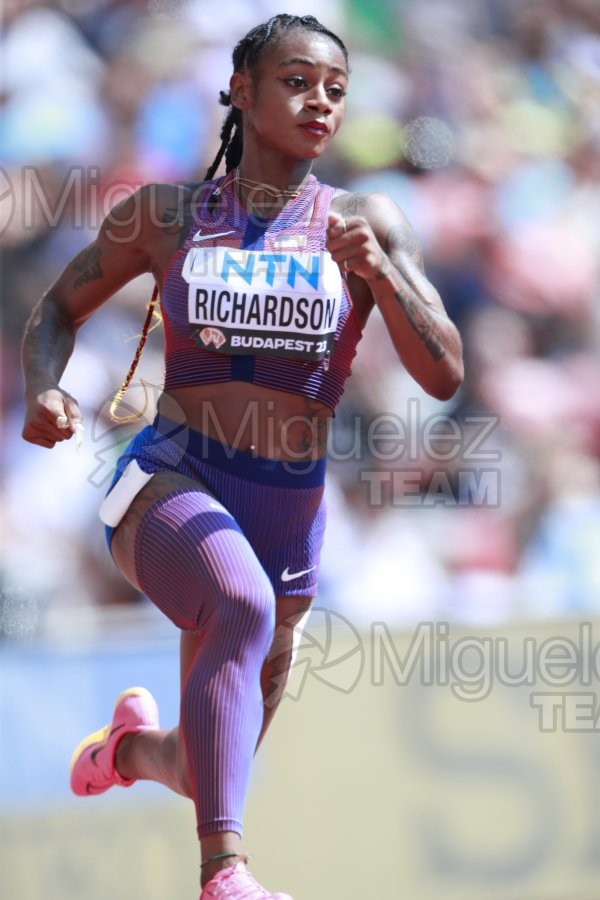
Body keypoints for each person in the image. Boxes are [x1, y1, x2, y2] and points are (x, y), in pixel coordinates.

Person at [21, 13, 463, 899]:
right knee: (236, 599)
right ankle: (225, 875)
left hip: (288, 511)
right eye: (297, 81)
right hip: (171, 483)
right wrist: (45, 389)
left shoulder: (365, 221)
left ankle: (128, 749)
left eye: (336, 88)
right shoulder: (168, 215)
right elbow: (55, 312)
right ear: (240, 91)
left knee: (200, 763)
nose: (320, 102)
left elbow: (446, 371)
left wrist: (382, 272)